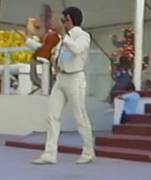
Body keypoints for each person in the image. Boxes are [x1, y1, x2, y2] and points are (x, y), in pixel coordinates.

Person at [31, 6, 95, 165]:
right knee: (52, 116)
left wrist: (62, 35)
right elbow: (52, 53)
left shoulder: (83, 36)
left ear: (70, 20)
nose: (60, 23)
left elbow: (77, 49)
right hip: (61, 78)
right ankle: (49, 154)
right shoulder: (62, 37)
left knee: (80, 117)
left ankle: (88, 151)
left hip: (75, 79)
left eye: (63, 20)